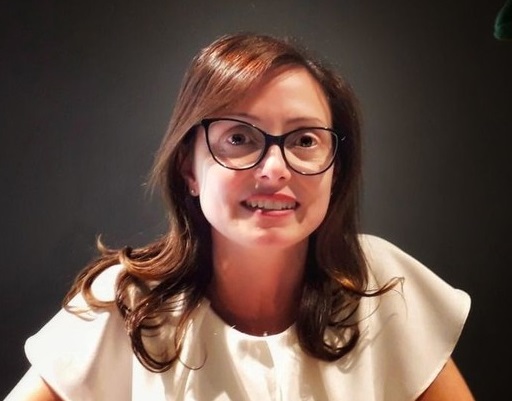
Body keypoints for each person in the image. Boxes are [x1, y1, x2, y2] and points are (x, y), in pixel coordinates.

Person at [5, 32, 474, 401]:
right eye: (238, 139)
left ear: (336, 169)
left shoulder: (380, 284)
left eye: (305, 140)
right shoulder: (126, 302)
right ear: (189, 168)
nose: (275, 169)